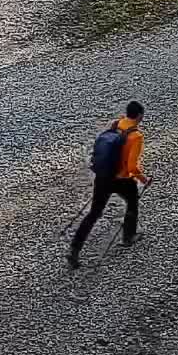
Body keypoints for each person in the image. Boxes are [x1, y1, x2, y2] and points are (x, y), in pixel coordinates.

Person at [68, 100, 150, 269]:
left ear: (127, 113)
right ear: (140, 116)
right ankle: (128, 236)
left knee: (93, 214)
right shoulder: (136, 136)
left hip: (103, 177)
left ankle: (74, 250)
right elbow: (132, 167)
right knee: (132, 201)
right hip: (121, 180)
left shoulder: (117, 123)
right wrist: (144, 180)